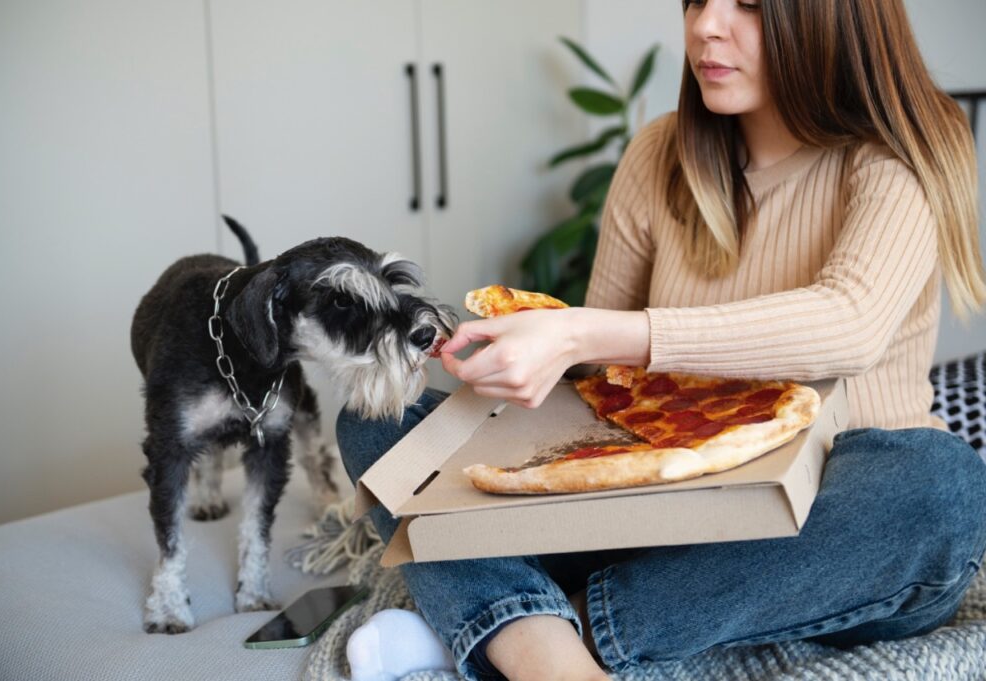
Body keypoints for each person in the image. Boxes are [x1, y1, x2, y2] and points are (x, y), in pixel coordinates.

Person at [337, 1, 986, 679]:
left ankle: (538, 635)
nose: (706, 26)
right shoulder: (659, 153)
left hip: (829, 532)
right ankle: (550, 641)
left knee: (942, 486)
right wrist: (511, 360)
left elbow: (849, 322)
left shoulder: (899, 153)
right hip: (659, 514)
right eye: (697, 0)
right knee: (376, 421)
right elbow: (596, 378)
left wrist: (580, 329)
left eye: (749, 5)